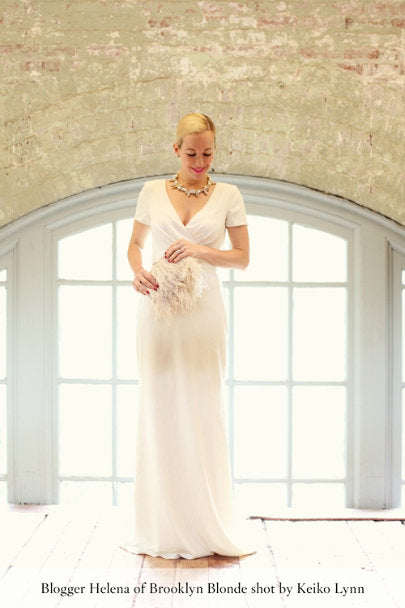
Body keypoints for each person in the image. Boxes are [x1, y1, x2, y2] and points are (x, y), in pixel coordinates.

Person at [121, 112, 255, 559]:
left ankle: (205, 525)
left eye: (208, 154)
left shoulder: (229, 195)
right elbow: (135, 244)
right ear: (176, 150)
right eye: (192, 153)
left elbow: (242, 258)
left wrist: (199, 249)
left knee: (201, 405)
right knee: (158, 403)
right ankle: (161, 527)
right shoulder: (150, 192)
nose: (200, 162)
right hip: (157, 309)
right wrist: (137, 271)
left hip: (204, 312)